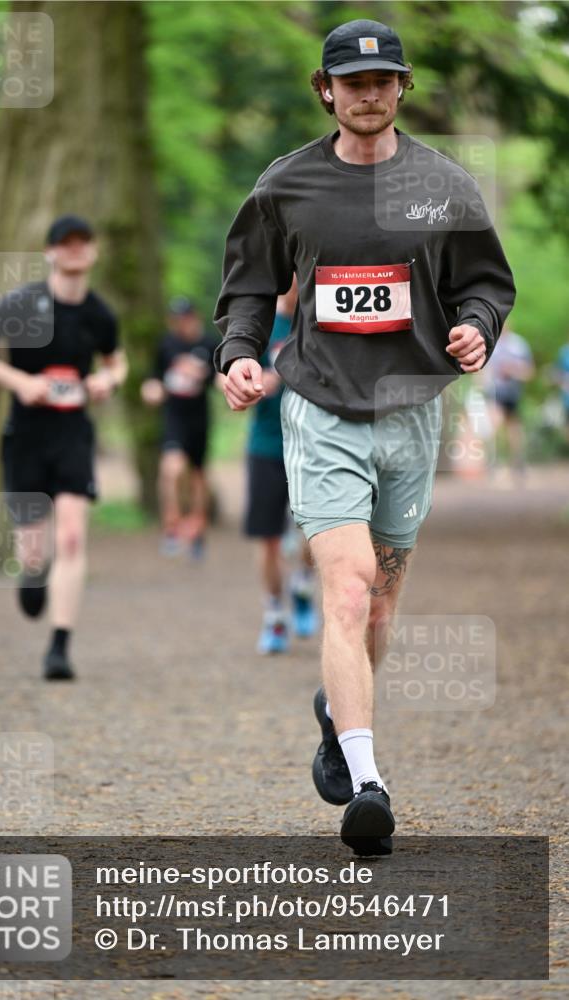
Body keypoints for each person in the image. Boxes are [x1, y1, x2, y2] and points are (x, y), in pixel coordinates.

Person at [215, 19, 515, 854]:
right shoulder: (288, 185)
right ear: (326, 90)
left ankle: (334, 712)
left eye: (383, 81)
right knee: (346, 592)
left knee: (379, 604)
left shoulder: (442, 184)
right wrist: (239, 353)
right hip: (320, 407)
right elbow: (248, 285)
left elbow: (485, 283)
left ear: (401, 87)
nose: (369, 95)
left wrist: (476, 327)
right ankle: (367, 783)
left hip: (411, 410)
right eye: (353, 83)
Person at [0, 214, 127, 681]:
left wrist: (107, 380)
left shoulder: (100, 314)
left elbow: (117, 362)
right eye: (65, 243)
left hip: (73, 435)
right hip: (26, 436)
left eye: (83, 242)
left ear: (93, 251)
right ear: (50, 252)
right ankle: (32, 573)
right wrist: (20, 382)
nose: (75, 249)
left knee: (70, 537)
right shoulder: (23, 303)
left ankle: (59, 646)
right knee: (33, 552)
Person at [243, 278, 318, 654]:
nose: (295, 282)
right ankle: (274, 614)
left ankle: (303, 583)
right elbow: (226, 375)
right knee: (268, 538)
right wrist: (251, 385)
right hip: (267, 446)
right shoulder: (258, 324)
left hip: (313, 445)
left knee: (315, 531)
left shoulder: (320, 319)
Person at [141, 297, 219, 559]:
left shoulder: (209, 344)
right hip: (174, 417)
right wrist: (151, 389)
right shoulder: (167, 344)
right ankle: (172, 526)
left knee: (198, 475)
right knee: (171, 468)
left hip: (199, 417)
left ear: (194, 317)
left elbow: (218, 377)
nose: (180, 324)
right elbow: (154, 377)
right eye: (175, 320)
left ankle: (197, 529)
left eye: (184, 319)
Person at [482, 325, 534, 476]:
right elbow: (484, 371)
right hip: (495, 392)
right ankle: (493, 462)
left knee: (514, 428)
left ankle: (517, 462)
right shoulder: (491, 344)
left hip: (513, 393)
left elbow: (529, 371)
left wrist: (513, 370)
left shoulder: (519, 345)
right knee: (495, 425)